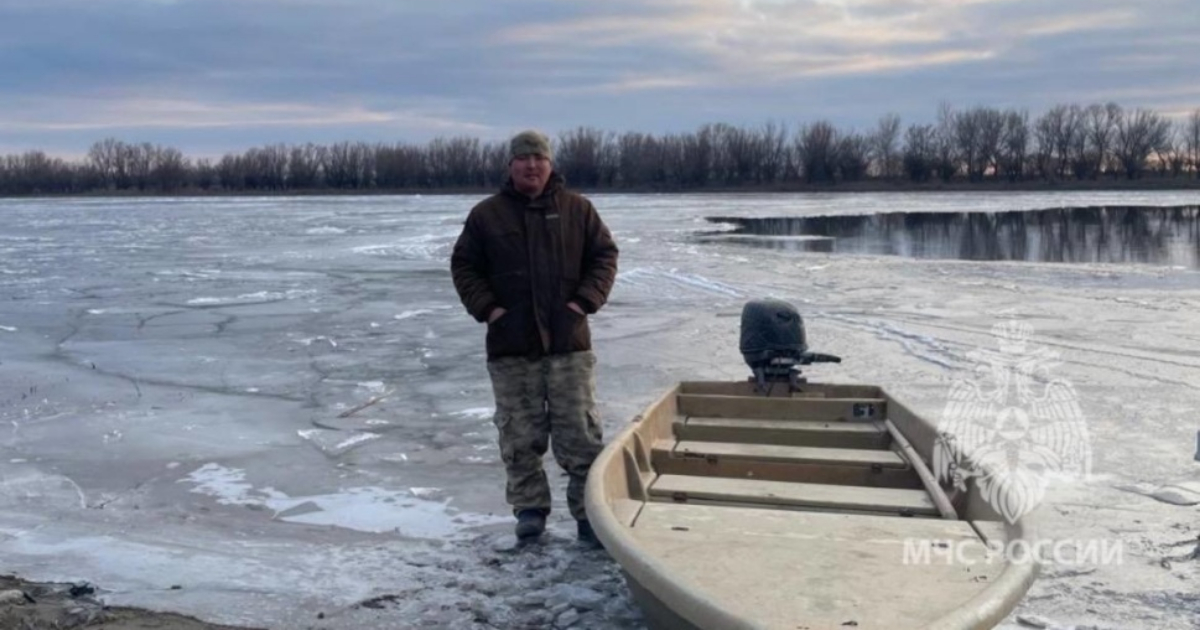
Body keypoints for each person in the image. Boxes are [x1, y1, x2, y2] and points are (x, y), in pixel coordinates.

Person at [450, 129, 619, 547]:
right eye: (523, 159)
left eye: (538, 158)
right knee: (519, 435)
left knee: (580, 436)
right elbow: (464, 267)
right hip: (512, 347)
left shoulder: (578, 210)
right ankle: (529, 511)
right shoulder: (487, 215)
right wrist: (490, 311)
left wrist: (583, 302)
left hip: (568, 346)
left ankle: (586, 515)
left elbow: (604, 256)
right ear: (510, 165)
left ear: (550, 164)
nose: (531, 166)